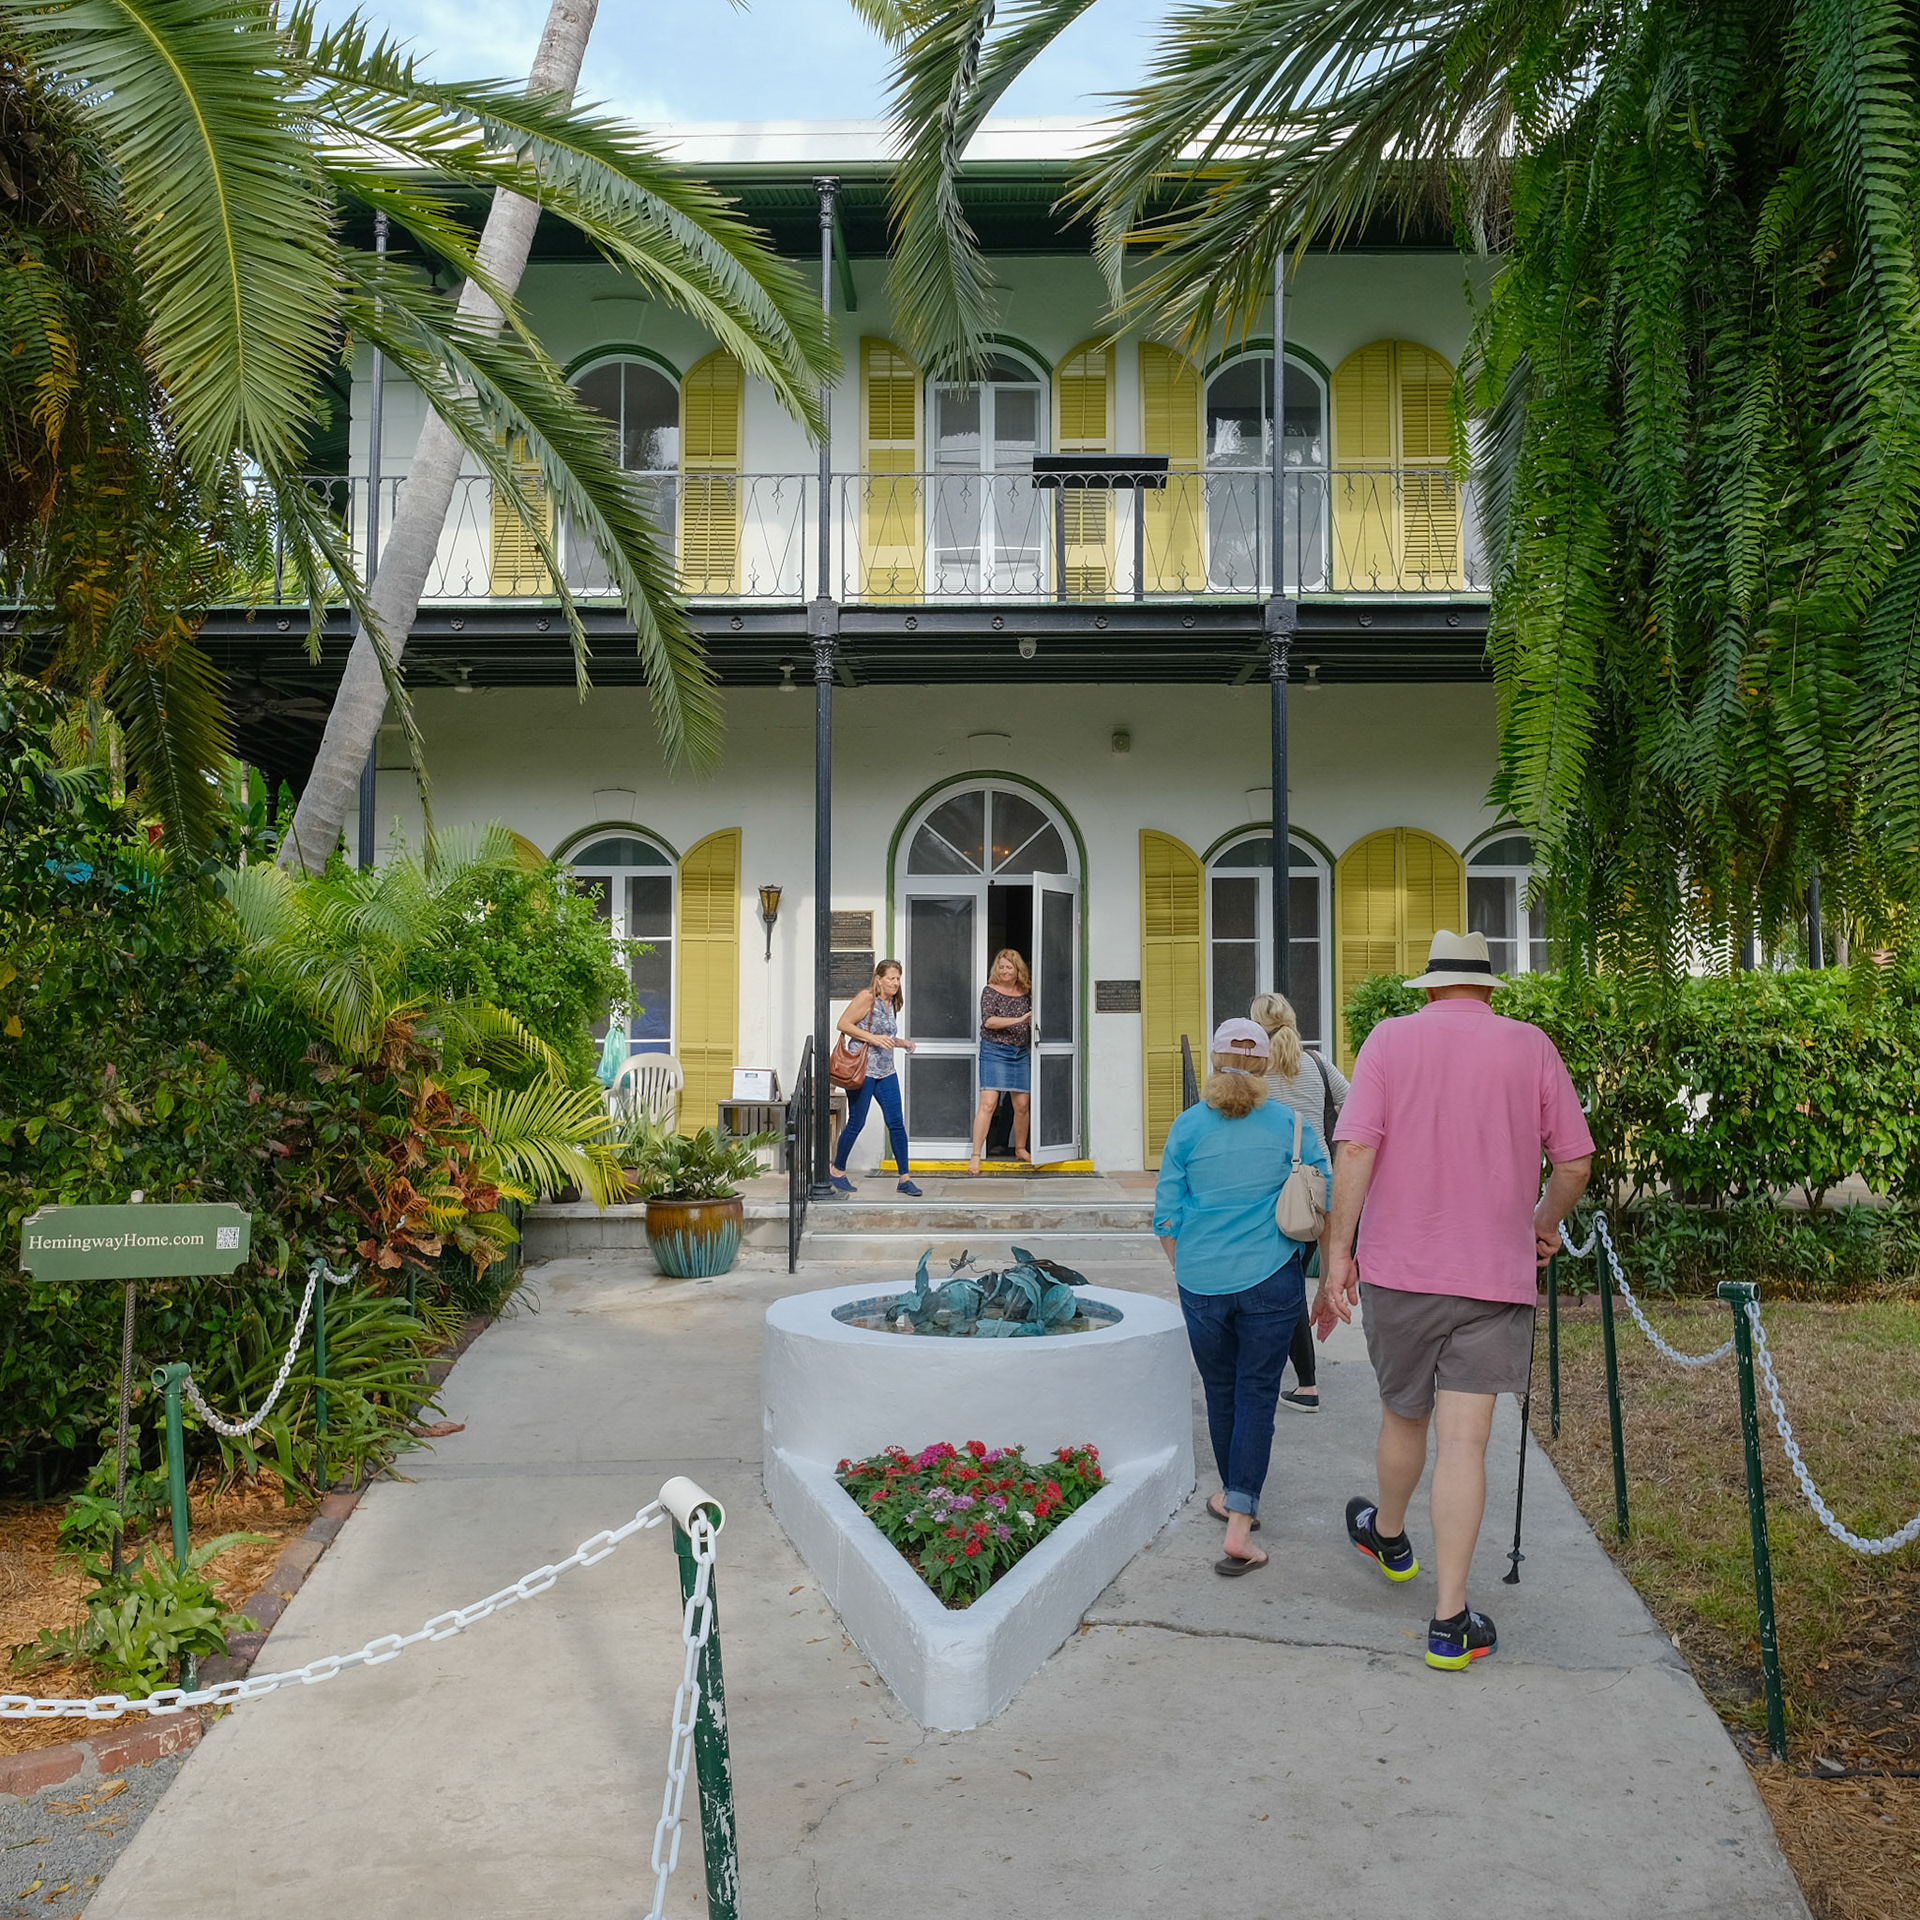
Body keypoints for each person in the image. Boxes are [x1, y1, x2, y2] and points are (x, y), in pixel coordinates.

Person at [1311, 930, 1592, 1670]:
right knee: (1465, 1444)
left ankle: (1390, 1534)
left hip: (1402, 1270)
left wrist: (1339, 1255)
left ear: (1430, 989)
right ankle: (1449, 1623)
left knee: (1405, 1414)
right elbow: (1575, 1159)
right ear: (1487, 991)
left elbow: (1357, 1149)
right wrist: (1542, 1222)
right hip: (1495, 1275)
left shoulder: (1389, 1041)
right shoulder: (1529, 1046)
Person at [1154, 1018, 1332, 1577]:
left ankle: (1233, 1497)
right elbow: (1323, 1197)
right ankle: (1239, 1520)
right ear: (1266, 1065)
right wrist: (1328, 1277)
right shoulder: (1293, 1127)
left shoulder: (1186, 1127)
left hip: (1201, 1282)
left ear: (1212, 1061)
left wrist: (1187, 1266)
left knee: (1221, 1389)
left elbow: (1166, 1213)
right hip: (1273, 1278)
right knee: (1258, 1392)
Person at [1250, 991, 1350, 1413]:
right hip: (1317, 1187)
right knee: (1287, 1278)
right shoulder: (1317, 1064)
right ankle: (1293, 1375)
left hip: (1271, 1190)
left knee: (1281, 1283)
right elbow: (1353, 1106)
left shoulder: (1254, 1068)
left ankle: (1306, 1384)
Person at [830, 960, 922, 1197]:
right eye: (891, 978)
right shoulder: (866, 997)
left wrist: (902, 1043)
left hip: (886, 1071)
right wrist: (872, 1038)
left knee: (896, 1123)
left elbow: (885, 1035)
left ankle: (905, 1178)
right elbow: (843, 1024)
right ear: (878, 978)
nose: (895, 982)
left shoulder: (893, 1003)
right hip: (863, 1071)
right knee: (857, 1122)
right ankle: (837, 1170)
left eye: (898, 978)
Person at [968, 948, 1033, 1175]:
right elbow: (989, 1022)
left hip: (1020, 1053)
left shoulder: (1027, 992)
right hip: (995, 1051)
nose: (1004, 971)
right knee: (988, 1103)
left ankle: (1021, 1149)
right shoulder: (990, 991)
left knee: (1022, 1105)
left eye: (1009, 967)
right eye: (1001, 967)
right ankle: (976, 1154)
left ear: (1018, 970)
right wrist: (1021, 1019)